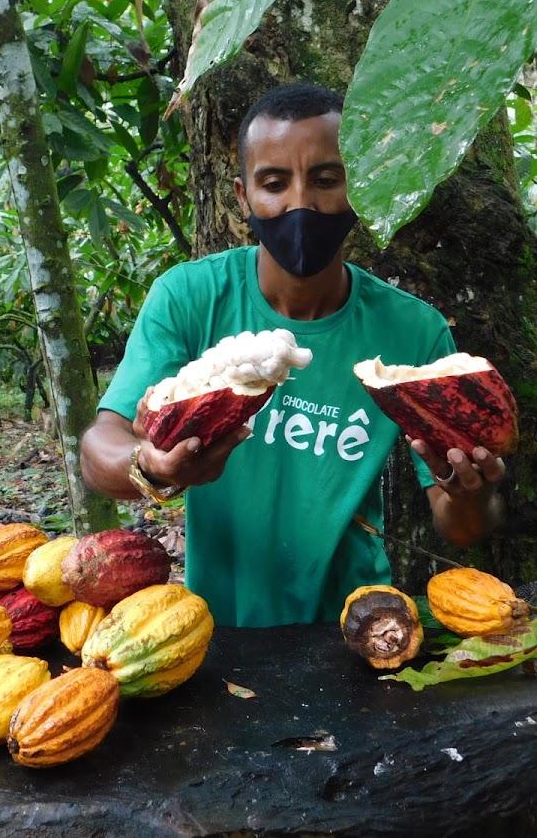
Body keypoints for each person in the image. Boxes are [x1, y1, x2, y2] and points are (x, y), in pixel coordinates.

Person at [80, 83, 507, 628]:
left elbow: (462, 526)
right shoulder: (189, 298)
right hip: (216, 624)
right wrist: (151, 467)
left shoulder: (411, 330)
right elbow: (100, 448)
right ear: (243, 198)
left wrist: (471, 492)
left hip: (357, 623)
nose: (301, 203)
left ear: (358, 186)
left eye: (326, 180)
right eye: (275, 183)